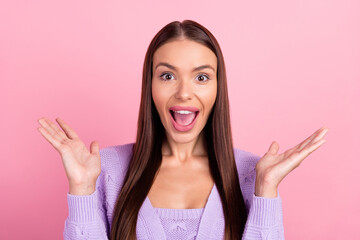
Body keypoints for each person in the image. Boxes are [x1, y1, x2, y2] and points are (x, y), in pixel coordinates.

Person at [37, 20, 329, 240]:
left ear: (218, 89)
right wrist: (82, 190)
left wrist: (266, 190)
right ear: (150, 86)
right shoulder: (104, 169)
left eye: (201, 77)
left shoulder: (253, 173)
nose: (184, 93)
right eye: (167, 75)